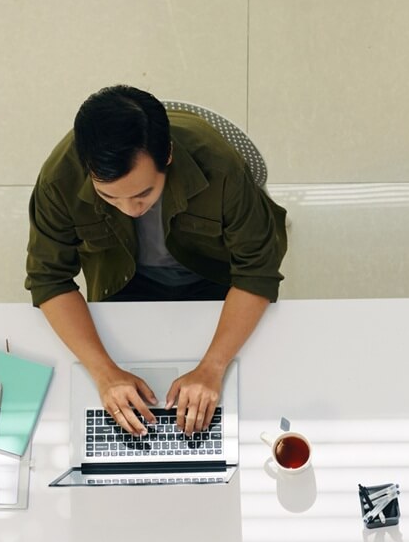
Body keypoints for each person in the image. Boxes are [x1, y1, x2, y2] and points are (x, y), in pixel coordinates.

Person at [25, 85, 288, 437]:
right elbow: (49, 280)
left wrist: (212, 367)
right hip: (121, 281)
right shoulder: (59, 179)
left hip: (216, 279)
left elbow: (256, 271)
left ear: (167, 156)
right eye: (108, 197)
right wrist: (105, 374)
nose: (130, 209)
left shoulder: (219, 165)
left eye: (144, 193)